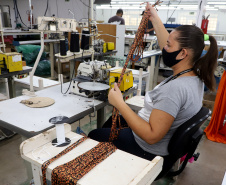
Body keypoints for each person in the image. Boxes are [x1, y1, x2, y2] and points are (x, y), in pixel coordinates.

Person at [88, 3, 218, 161]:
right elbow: (167, 45)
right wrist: (155, 19)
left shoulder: (175, 89)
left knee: (93, 135)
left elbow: (151, 136)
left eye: (169, 45)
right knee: (111, 123)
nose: (164, 48)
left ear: (183, 53)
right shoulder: (194, 76)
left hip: (146, 148)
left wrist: (119, 103)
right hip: (156, 137)